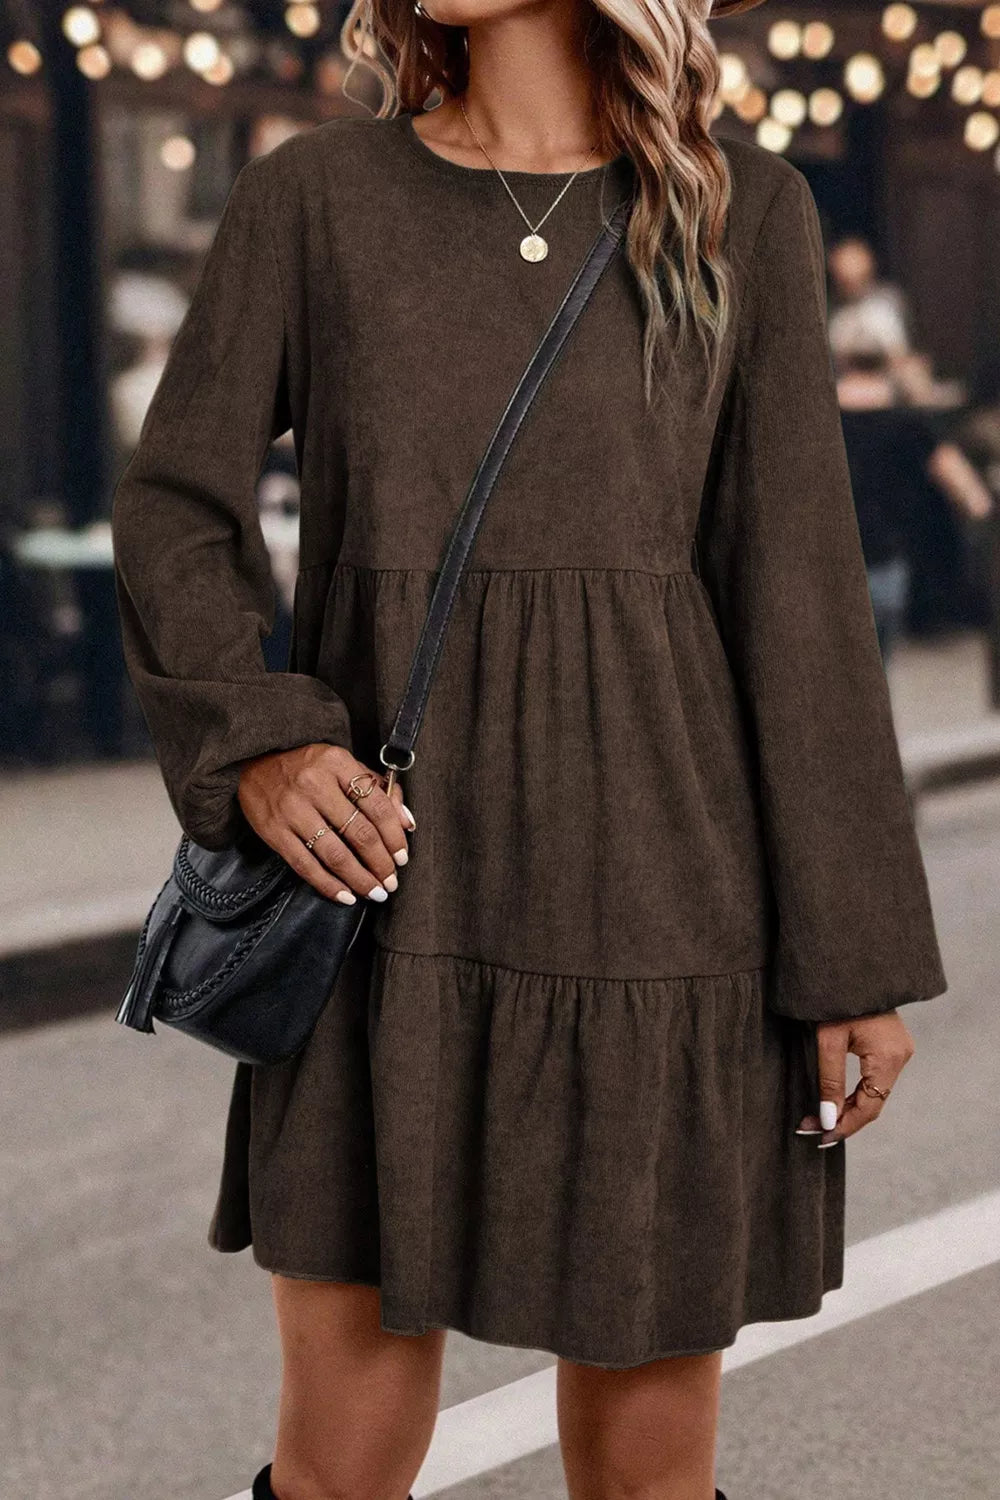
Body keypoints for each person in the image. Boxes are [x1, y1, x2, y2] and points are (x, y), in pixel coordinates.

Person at [110, 0, 949, 1496]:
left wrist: (851, 956)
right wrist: (261, 746)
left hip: (663, 908)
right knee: (338, 1469)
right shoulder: (317, 199)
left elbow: (800, 598)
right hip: (387, 905)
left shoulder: (742, 208)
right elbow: (177, 501)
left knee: (646, 1478)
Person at [838, 346, 994, 659]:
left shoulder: (822, 421)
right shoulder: (909, 423)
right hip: (885, 561)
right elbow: (970, 494)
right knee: (877, 666)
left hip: (833, 565)